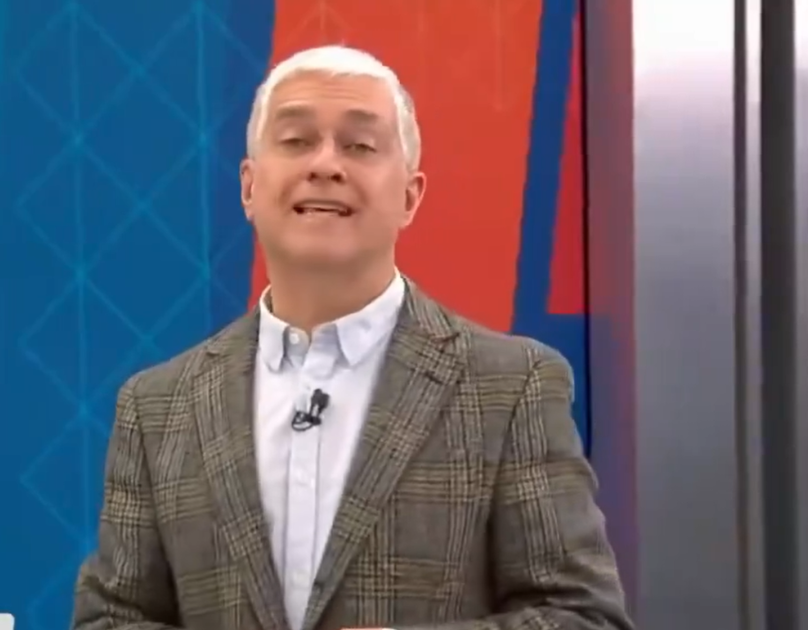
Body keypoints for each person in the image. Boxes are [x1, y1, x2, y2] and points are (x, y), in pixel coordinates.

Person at [72, 45, 633, 630]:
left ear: (410, 196)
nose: (325, 164)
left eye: (359, 146)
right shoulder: (158, 407)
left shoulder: (511, 386)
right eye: (296, 140)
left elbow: (583, 618)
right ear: (249, 187)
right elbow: (110, 620)